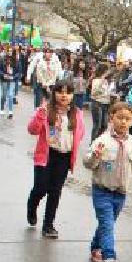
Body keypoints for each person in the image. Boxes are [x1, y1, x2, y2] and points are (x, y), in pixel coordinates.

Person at [84, 102, 132, 262]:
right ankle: (109, 256)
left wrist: (128, 178)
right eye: (120, 118)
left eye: (127, 119)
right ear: (111, 118)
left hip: (120, 192)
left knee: (106, 223)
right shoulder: (102, 140)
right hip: (102, 190)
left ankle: (96, 246)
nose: (123, 122)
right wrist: (95, 156)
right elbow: (87, 162)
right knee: (107, 224)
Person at [26, 81, 86, 239]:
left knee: (55, 191)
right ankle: (32, 205)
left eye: (68, 92)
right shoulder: (46, 110)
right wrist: (40, 115)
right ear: (54, 93)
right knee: (41, 187)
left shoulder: (77, 114)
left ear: (73, 95)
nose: (64, 95)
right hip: (46, 155)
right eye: (60, 92)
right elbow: (32, 130)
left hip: (64, 157)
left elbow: (81, 133)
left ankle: (48, 225)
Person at [89, 64, 115, 140]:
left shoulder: (106, 81)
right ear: (103, 71)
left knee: (105, 125)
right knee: (97, 125)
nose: (108, 72)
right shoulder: (96, 80)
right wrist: (102, 81)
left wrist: (112, 95)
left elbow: (106, 92)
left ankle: (98, 140)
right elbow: (94, 93)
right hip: (97, 104)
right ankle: (93, 143)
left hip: (105, 104)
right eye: (107, 70)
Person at [0, 53, 22, 119]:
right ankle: (2, 108)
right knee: (3, 95)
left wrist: (14, 77)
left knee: (11, 95)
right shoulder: (2, 60)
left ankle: (10, 112)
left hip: (12, 80)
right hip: (4, 80)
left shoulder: (16, 61)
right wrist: (3, 75)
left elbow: (19, 72)